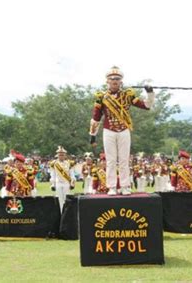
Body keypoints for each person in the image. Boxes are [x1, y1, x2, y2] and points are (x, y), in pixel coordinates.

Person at [89, 66, 155, 195]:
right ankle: (112, 186)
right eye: (112, 79)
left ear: (121, 81)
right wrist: (92, 135)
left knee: (124, 160)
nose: (114, 81)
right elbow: (96, 117)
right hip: (109, 130)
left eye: (117, 79)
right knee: (111, 160)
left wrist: (150, 93)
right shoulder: (101, 97)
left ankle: (125, 185)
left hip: (124, 130)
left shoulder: (127, 95)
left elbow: (146, 105)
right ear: (107, 81)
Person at [49, 146, 75, 211]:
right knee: (60, 199)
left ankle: (67, 214)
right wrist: (53, 184)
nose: (61, 156)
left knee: (67, 199)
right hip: (58, 183)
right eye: (60, 155)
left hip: (66, 182)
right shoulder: (54, 163)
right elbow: (53, 175)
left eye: (62, 155)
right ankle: (61, 213)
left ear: (65, 155)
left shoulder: (69, 163)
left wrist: (72, 183)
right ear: (57, 155)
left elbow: (72, 174)